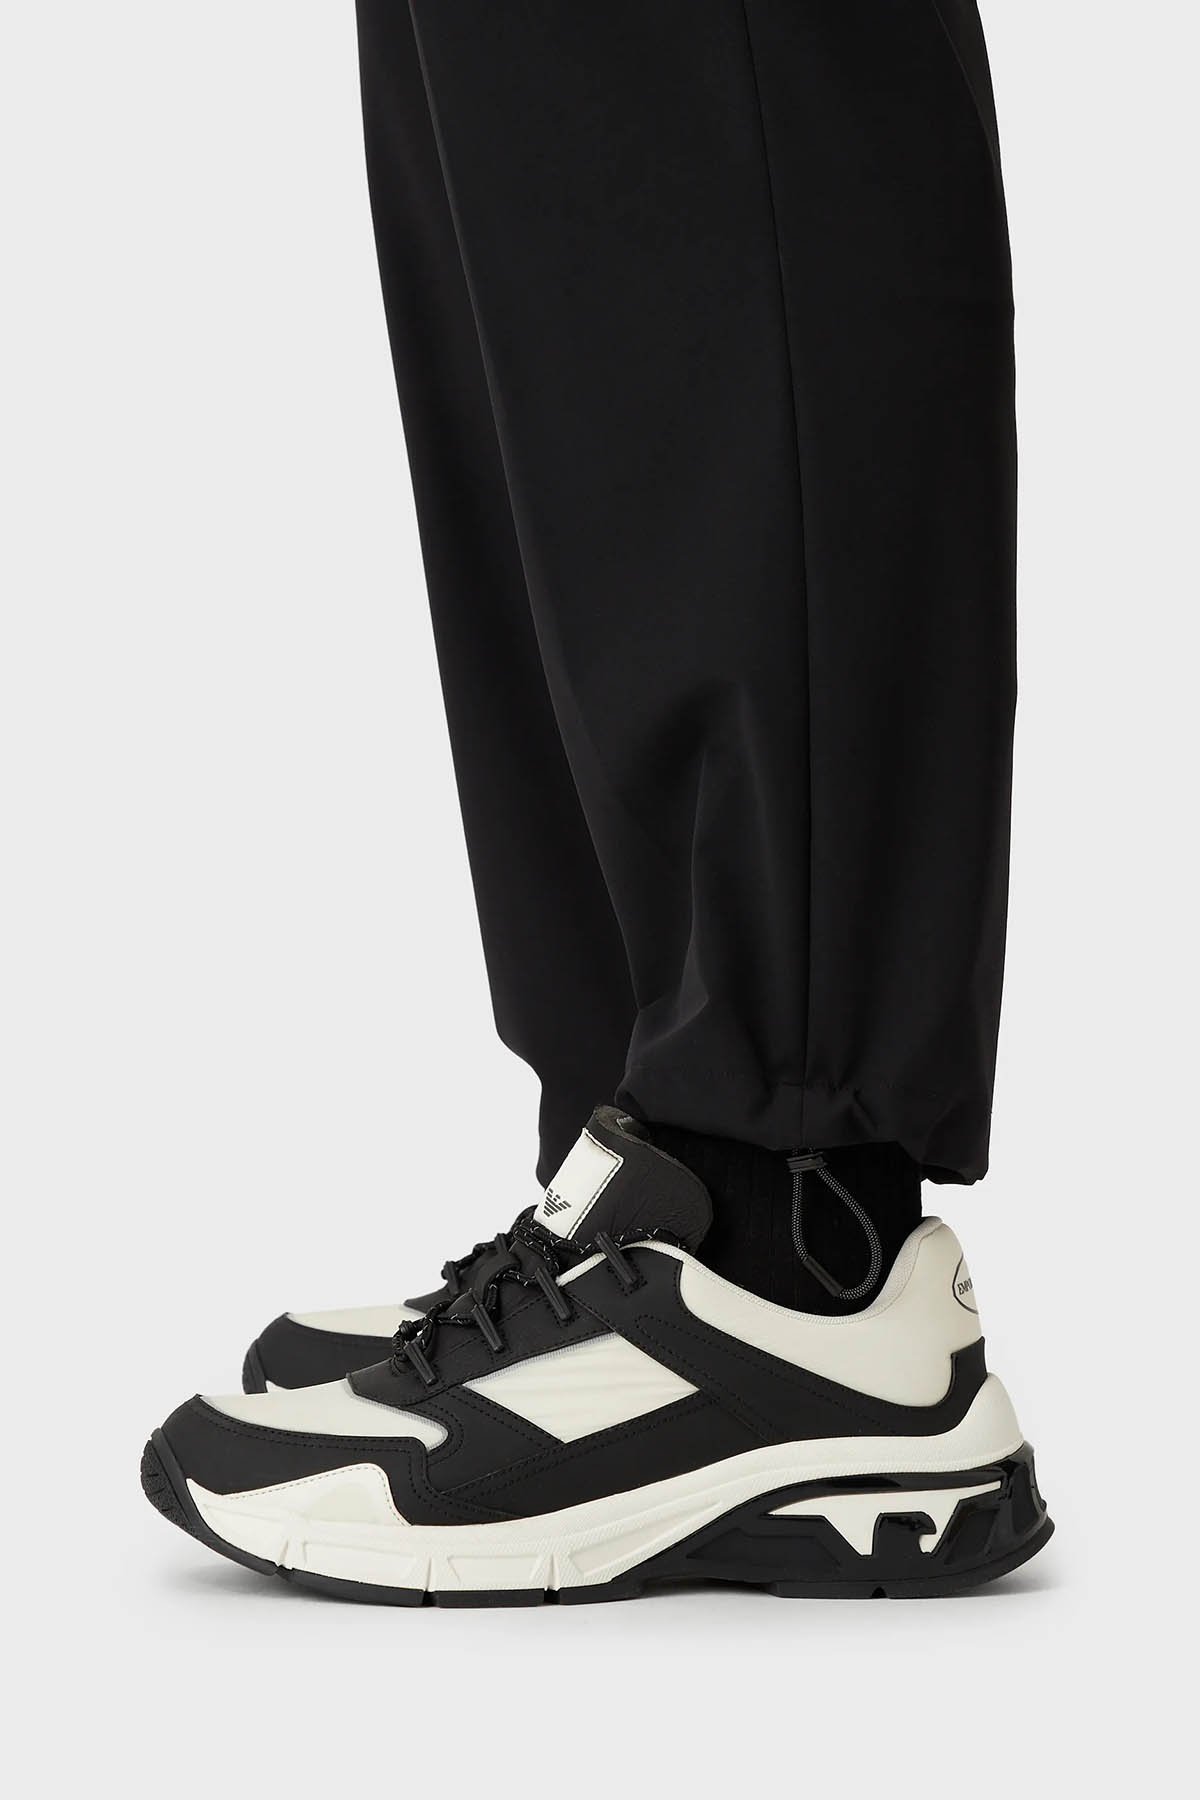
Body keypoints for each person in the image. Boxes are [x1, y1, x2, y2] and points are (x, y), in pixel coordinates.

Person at [141, 1, 1051, 1602]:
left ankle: (784, 1243)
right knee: (530, 123)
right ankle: (645, 1175)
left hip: (796, 1174)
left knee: (694, 66)